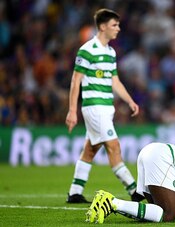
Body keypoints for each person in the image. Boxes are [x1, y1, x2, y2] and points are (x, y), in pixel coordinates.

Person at [65, 8, 143, 203]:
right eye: (114, 25)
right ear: (102, 26)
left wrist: (130, 100)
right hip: (94, 107)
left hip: (106, 108)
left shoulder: (110, 52)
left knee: (90, 149)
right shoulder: (87, 50)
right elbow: (76, 81)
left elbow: (114, 81)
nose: (118, 29)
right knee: (114, 146)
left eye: (118, 25)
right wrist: (72, 111)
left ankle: (75, 192)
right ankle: (135, 191)